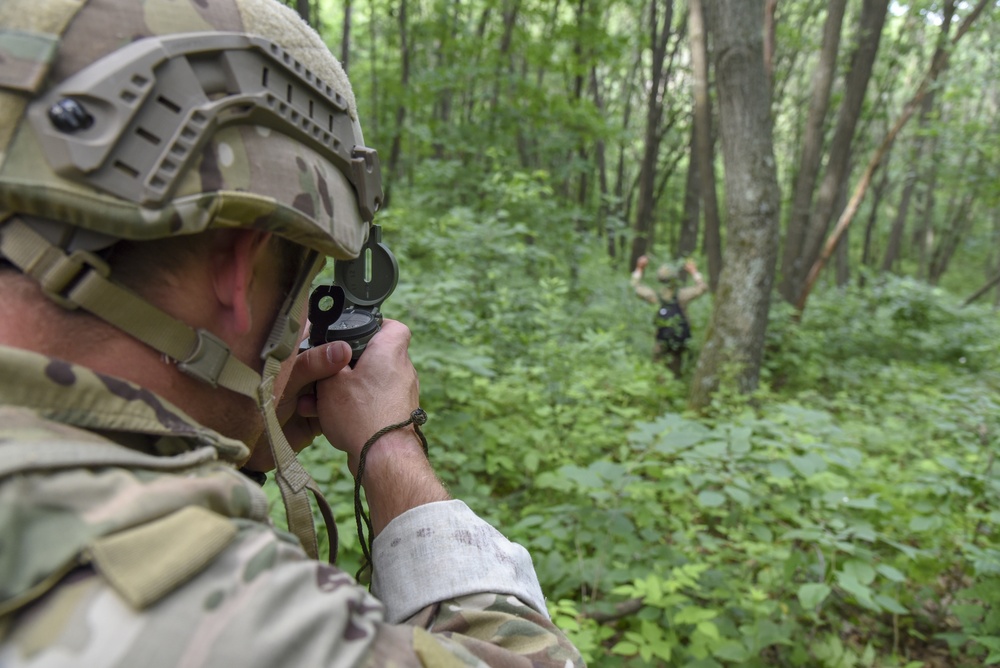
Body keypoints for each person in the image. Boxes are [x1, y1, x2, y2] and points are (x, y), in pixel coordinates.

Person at [0, 1, 584, 666]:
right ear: (239, 267)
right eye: (303, 281)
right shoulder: (227, 622)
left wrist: (238, 450)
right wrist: (391, 450)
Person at [631, 255, 708, 377]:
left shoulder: (655, 296)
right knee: (675, 369)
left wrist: (639, 268)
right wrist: (694, 271)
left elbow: (635, 287)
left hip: (661, 337)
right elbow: (703, 288)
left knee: (657, 368)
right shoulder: (682, 295)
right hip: (679, 338)